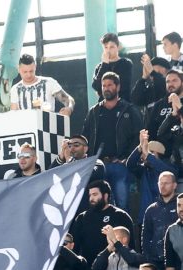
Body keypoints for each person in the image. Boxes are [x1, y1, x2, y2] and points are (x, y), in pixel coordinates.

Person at [81, 72, 143, 207]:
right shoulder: (94, 111)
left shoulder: (129, 110)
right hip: (98, 166)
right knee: (97, 204)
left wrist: (127, 158)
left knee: (122, 204)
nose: (106, 88)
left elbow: (139, 136)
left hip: (119, 165)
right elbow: (85, 137)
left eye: (109, 85)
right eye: (103, 85)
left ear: (118, 87)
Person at [10, 53, 76, 115]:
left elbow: (69, 99)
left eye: (31, 71)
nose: (29, 75)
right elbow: (13, 114)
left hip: (47, 122)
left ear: (35, 67)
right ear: (18, 69)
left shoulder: (49, 82)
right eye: (25, 72)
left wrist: (69, 108)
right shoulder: (15, 89)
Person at [91, 32, 134, 101]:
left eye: (111, 47)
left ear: (117, 47)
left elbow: (123, 86)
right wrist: (105, 64)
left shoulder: (126, 63)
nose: (108, 50)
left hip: (122, 103)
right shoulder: (99, 67)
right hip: (104, 105)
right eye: (106, 47)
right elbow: (96, 86)